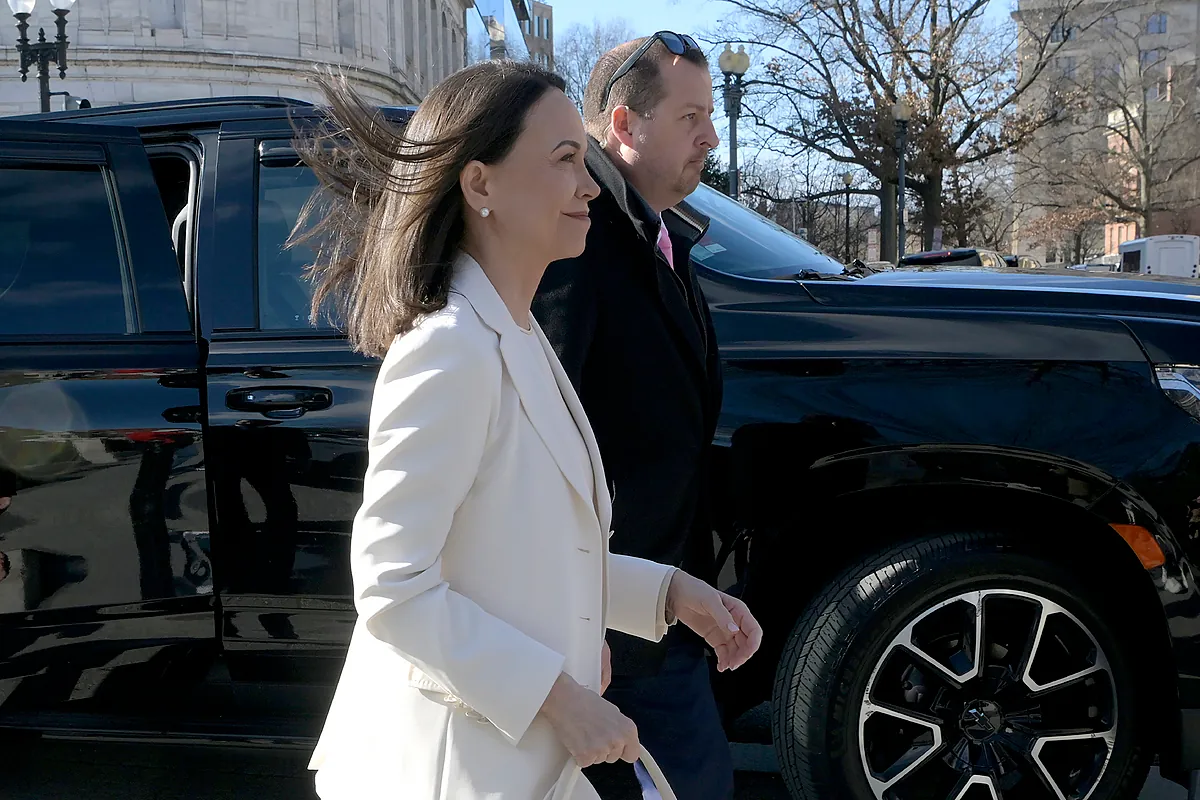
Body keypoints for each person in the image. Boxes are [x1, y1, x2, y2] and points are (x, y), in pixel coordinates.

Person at [298, 61, 762, 800]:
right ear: (480, 186)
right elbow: (393, 589)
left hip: (515, 762)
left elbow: (522, 549)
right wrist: (563, 699)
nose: (587, 186)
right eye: (563, 160)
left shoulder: (517, 335)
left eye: (583, 159)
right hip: (453, 771)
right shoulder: (450, 348)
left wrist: (669, 593)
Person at [531, 33, 734, 800]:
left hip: (658, 608)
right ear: (623, 123)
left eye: (710, 114)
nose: (710, 136)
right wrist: (576, 624)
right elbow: (542, 442)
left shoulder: (657, 235)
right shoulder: (574, 241)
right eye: (690, 117)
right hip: (612, 625)